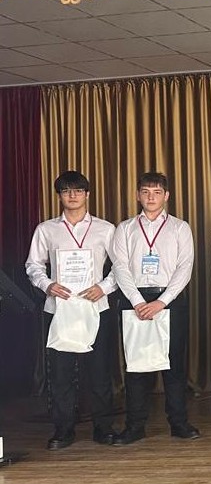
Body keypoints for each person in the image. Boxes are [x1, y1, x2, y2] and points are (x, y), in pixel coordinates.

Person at [25, 171, 120, 449]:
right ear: (59, 196)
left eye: (78, 190)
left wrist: (104, 287)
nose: (72, 195)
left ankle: (103, 427)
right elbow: (33, 265)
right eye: (66, 191)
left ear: (87, 194)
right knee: (61, 374)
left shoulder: (106, 229)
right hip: (59, 308)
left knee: (100, 371)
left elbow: (121, 266)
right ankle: (63, 430)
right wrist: (47, 285)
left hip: (96, 306)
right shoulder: (46, 229)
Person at [110, 171, 199, 444]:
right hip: (134, 300)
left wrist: (162, 301)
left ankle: (179, 423)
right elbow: (119, 266)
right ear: (138, 195)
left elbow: (185, 266)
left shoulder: (180, 227)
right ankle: (135, 426)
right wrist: (138, 301)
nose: (151, 197)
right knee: (136, 367)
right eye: (146, 192)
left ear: (166, 196)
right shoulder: (125, 228)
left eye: (157, 192)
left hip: (169, 300)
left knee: (174, 365)